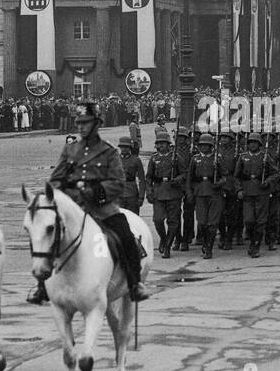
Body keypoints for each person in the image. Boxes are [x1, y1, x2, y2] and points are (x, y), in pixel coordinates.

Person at [46, 101, 149, 302]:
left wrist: (95, 192)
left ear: (96, 124)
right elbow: (55, 180)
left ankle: (135, 283)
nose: (81, 126)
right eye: (79, 122)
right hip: (75, 210)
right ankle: (43, 285)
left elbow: (118, 182)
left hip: (103, 210)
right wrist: (67, 192)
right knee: (47, 236)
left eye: (86, 122)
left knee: (126, 238)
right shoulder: (70, 151)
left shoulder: (109, 152)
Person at [234, 131, 278, 258]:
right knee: (249, 220)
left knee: (261, 220)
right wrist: (239, 190)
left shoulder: (265, 157)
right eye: (250, 142)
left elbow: (274, 173)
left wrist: (267, 182)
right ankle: (253, 240)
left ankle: (255, 245)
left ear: (259, 144)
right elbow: (236, 176)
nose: (252, 145)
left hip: (261, 191)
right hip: (247, 192)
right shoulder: (243, 157)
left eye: (255, 143)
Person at [146, 127, 184, 258]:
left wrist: (178, 179)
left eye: (163, 143)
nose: (161, 146)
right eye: (159, 143)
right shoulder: (153, 158)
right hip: (159, 193)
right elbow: (148, 177)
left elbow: (184, 173)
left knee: (173, 222)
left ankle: (168, 245)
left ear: (169, 145)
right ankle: (163, 238)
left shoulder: (176, 157)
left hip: (173, 193)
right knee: (157, 220)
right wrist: (149, 191)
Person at [189, 132, 223, 259]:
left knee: (212, 224)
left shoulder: (217, 159)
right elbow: (190, 179)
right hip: (200, 193)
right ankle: (204, 242)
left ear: (211, 146)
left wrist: (218, 182)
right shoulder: (195, 159)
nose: (204, 147)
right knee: (202, 222)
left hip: (214, 194)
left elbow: (225, 176)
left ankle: (209, 248)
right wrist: (190, 193)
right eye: (202, 145)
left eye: (207, 145)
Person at [175, 125, 195, 251]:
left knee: (188, 214)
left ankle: (186, 238)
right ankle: (178, 238)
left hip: (189, 184)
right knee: (175, 214)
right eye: (178, 137)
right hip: (176, 186)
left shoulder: (192, 151)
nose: (180, 139)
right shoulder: (172, 151)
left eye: (182, 137)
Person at [118, 135, 146, 215]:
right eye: (122, 147)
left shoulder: (136, 160)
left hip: (132, 194)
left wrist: (141, 197)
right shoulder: (115, 159)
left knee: (133, 220)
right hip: (119, 195)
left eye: (126, 147)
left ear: (130, 148)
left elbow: (142, 180)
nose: (124, 149)